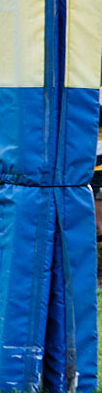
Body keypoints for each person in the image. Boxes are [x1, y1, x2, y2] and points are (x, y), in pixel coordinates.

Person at [92, 87, 102, 288]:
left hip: (100, 170)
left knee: (98, 224)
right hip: (80, 169)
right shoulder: (90, 92)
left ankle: (99, 275)